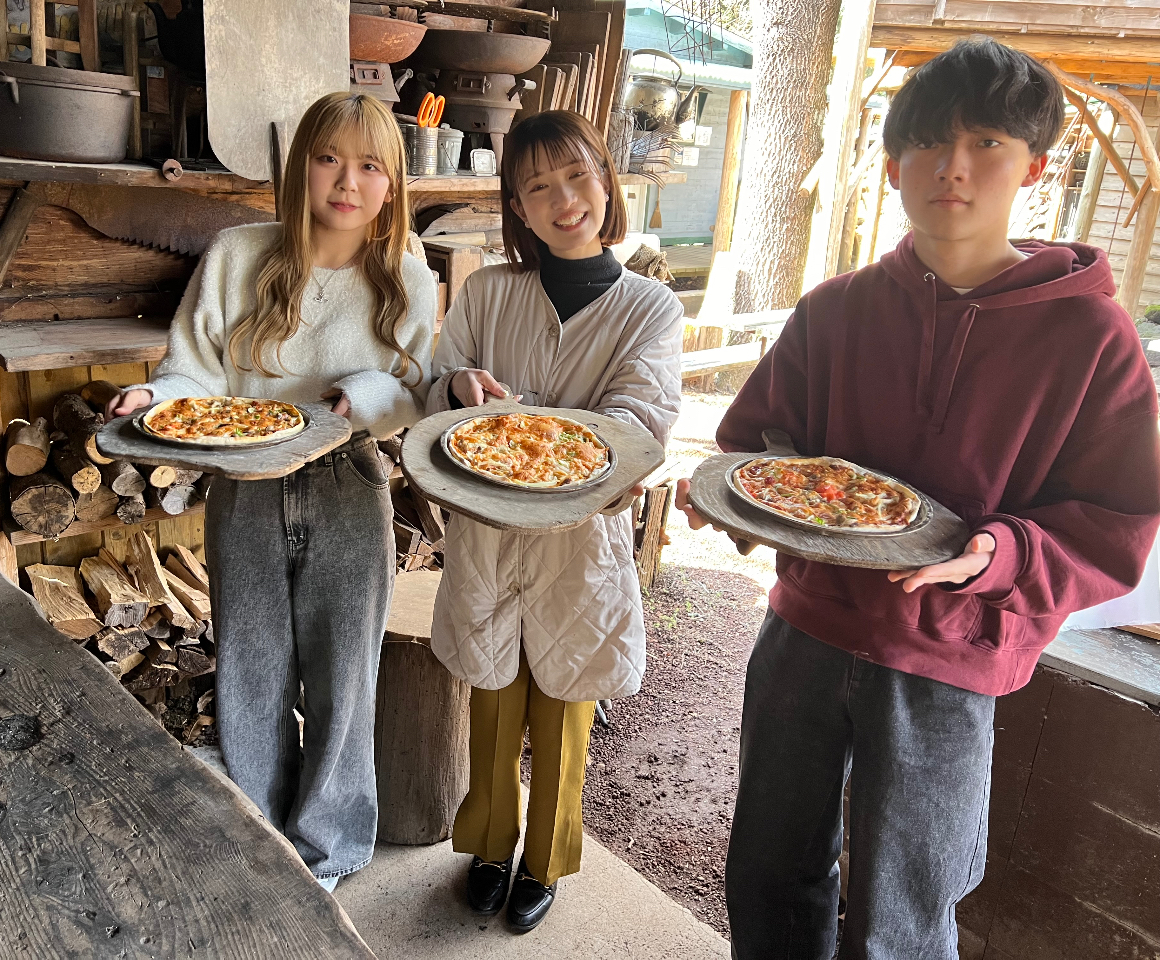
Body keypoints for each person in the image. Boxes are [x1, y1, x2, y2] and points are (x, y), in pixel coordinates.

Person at [677, 38, 1160, 958]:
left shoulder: (1090, 337)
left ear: (1036, 167)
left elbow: (1118, 520)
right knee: (770, 871)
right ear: (894, 163)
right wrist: (736, 500)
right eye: (931, 143)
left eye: (987, 144)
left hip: (951, 657)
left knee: (905, 906)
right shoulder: (838, 307)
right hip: (805, 633)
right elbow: (754, 445)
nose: (955, 168)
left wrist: (1001, 554)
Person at [103, 92, 437, 892]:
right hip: (243, 488)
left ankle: (328, 850)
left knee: (344, 676)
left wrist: (368, 391)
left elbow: (418, 391)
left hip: (349, 485)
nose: (346, 181)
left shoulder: (409, 277)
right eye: (329, 158)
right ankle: (261, 838)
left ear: (392, 183)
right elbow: (193, 369)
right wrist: (155, 398)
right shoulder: (237, 253)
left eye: (369, 165)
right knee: (251, 672)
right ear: (300, 168)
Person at [426, 110, 683, 932]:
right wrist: (460, 386)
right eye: (538, 187)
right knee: (493, 696)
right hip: (490, 538)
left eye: (577, 176)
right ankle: (492, 845)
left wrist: (540, 438)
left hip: (583, 548)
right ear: (519, 209)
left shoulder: (649, 308)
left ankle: (548, 859)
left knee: (568, 705)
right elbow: (437, 386)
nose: (564, 199)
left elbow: (641, 417)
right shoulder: (487, 291)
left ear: (606, 181)